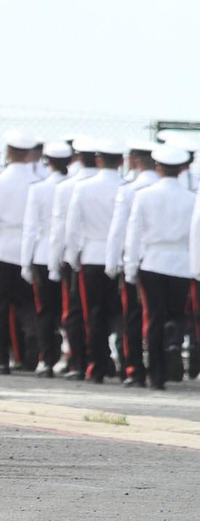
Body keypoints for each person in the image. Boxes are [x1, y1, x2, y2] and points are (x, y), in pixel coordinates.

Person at [124, 145, 196, 390]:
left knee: (154, 318)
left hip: (153, 261)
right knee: (177, 314)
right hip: (181, 263)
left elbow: (134, 234)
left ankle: (157, 376)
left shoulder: (144, 195)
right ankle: (174, 341)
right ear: (182, 169)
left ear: (158, 168)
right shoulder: (192, 199)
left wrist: (130, 267)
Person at [62, 139, 126, 382]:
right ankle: (125, 364)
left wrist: (72, 257)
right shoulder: (126, 187)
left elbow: (72, 228)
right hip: (120, 258)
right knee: (121, 314)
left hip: (91, 256)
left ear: (99, 161)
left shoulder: (84, 188)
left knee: (93, 314)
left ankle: (95, 366)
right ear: (121, 162)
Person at [0, 130, 40, 375]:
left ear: (9, 152)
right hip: (30, 250)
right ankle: (31, 345)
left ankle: (1, 358)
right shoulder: (38, 182)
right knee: (27, 305)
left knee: (0, 307)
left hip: (1, 248)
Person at [106, 142, 159, 385]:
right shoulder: (177, 189)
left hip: (135, 260)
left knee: (133, 317)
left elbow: (119, 231)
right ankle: (161, 364)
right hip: (170, 263)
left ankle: (135, 369)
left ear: (135, 160)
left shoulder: (129, 190)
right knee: (161, 315)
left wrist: (114, 262)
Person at [20, 141, 73, 378]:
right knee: (70, 310)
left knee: (45, 311)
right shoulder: (74, 187)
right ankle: (70, 356)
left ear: (47, 162)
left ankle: (46, 359)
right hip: (69, 255)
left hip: (42, 254)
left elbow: (30, 228)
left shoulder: (38, 188)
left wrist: (25, 261)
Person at [48, 140, 98, 379]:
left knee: (75, 313)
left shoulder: (69, 187)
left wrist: (58, 260)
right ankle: (101, 361)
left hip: (78, 256)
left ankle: (78, 362)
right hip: (113, 258)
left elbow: (62, 229)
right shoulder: (123, 186)